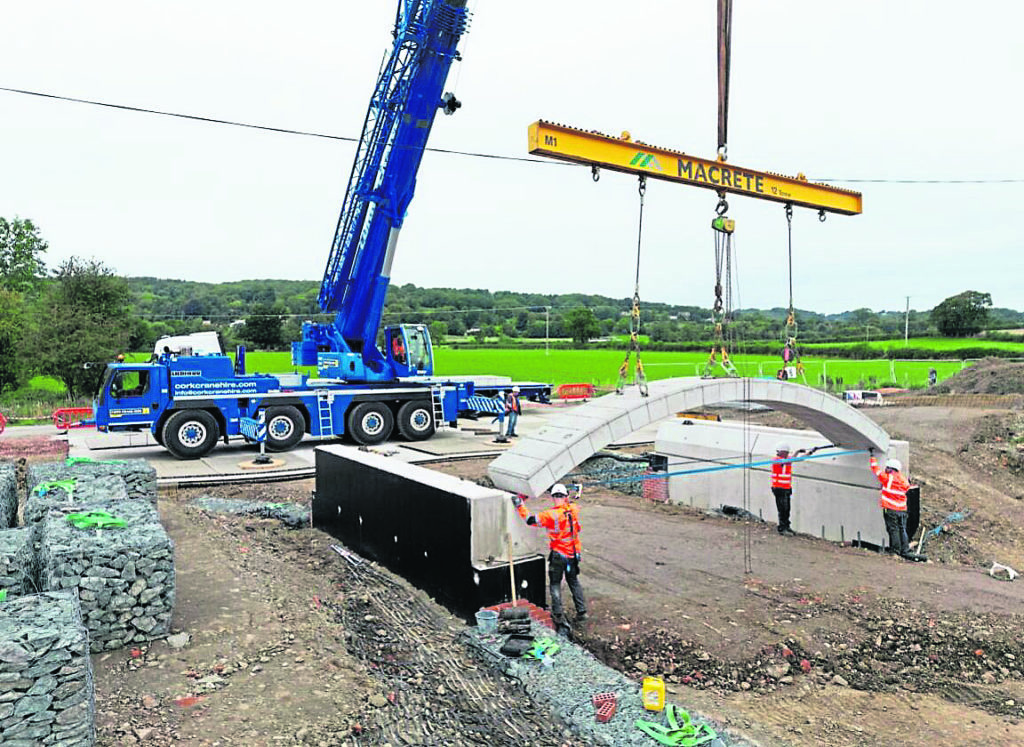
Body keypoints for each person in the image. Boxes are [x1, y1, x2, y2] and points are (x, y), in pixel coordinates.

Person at [511, 483, 588, 635]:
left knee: (554, 584)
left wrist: (520, 504)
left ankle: (558, 615)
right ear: (566, 497)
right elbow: (573, 509)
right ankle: (582, 612)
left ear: (553, 497)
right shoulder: (573, 509)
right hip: (573, 554)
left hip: (559, 555)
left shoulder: (550, 515)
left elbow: (530, 520)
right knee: (573, 581)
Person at [868, 450, 924, 560]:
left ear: (890, 469)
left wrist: (872, 457)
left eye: (887, 467)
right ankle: (905, 549)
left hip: (890, 509)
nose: (886, 469)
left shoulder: (888, 478)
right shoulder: (904, 480)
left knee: (893, 530)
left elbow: (876, 470)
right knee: (902, 529)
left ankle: (896, 551)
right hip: (902, 510)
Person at [771, 442, 814, 536]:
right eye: (786, 452)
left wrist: (810, 452)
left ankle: (787, 526)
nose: (787, 454)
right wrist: (797, 452)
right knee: (783, 509)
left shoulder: (786, 459)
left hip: (786, 488)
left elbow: (797, 459)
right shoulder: (776, 460)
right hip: (779, 488)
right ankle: (782, 528)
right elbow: (789, 460)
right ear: (781, 452)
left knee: (787, 509)